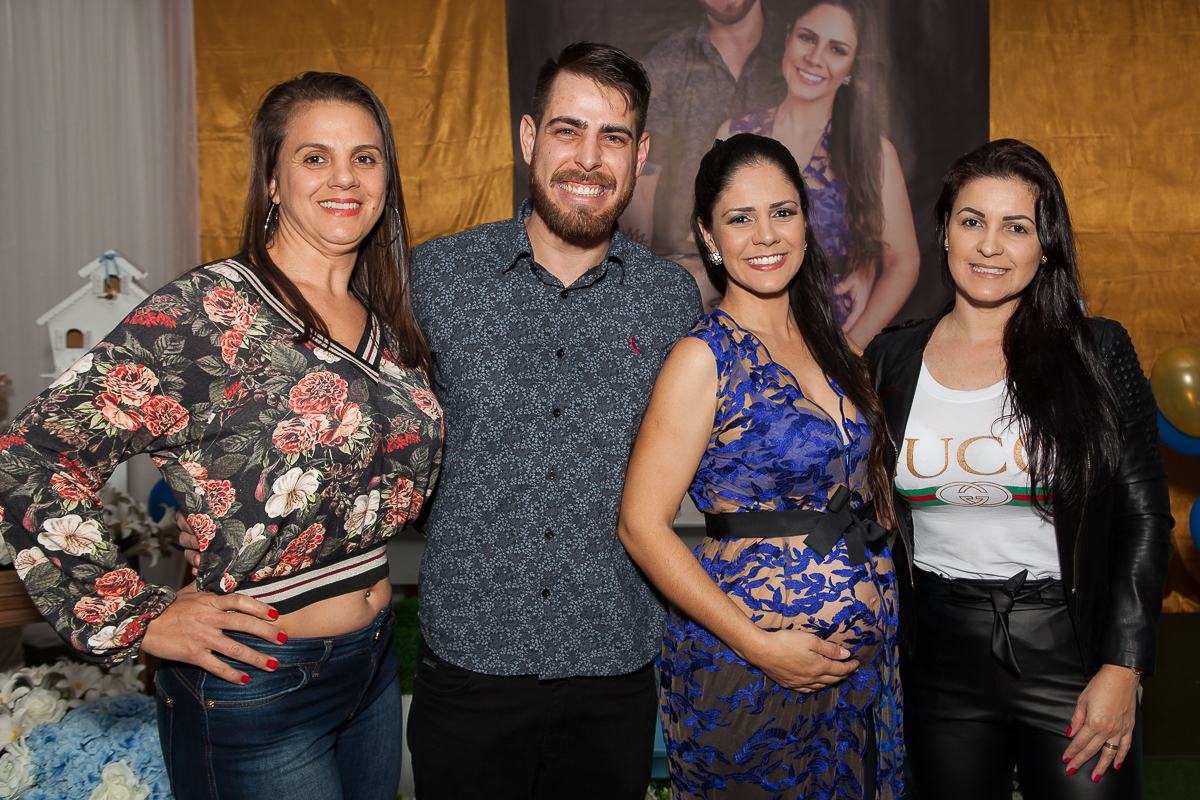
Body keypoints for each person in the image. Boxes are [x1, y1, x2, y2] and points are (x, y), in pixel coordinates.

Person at [0, 72, 442, 799]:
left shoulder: (388, 324)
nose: (344, 177)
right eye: (314, 157)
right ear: (272, 180)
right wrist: (136, 616)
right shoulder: (207, 312)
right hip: (256, 684)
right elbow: (31, 454)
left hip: (371, 666)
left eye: (364, 158)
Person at [403, 43, 703, 799]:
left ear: (640, 155)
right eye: (569, 130)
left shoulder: (669, 299)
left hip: (613, 668)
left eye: (613, 137)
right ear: (530, 137)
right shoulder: (435, 278)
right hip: (469, 663)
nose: (589, 159)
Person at [864, 139, 1173, 799]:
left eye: (1016, 227)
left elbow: (1143, 517)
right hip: (938, 662)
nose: (989, 246)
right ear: (944, 232)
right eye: (972, 221)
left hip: (1071, 653)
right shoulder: (891, 359)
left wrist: (1123, 666)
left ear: (1046, 246)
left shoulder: (1096, 352)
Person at [619, 133, 901, 798]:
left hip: (862, 673)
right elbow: (641, 526)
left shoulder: (836, 345)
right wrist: (762, 646)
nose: (765, 235)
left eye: (782, 212)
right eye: (740, 218)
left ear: (806, 220)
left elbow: (862, 482)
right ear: (708, 236)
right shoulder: (703, 357)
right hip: (748, 673)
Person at [717, 0, 919, 346]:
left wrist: (851, 351)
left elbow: (904, 261)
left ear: (852, 65)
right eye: (807, 38)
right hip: (745, 338)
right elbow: (711, 238)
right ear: (787, 38)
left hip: (833, 340)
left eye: (837, 49)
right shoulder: (732, 135)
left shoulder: (873, 152)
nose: (815, 58)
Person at [621, 0, 788, 312]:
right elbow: (643, 179)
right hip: (691, 269)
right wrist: (640, 284)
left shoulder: (797, 50)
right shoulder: (666, 61)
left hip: (781, 263)